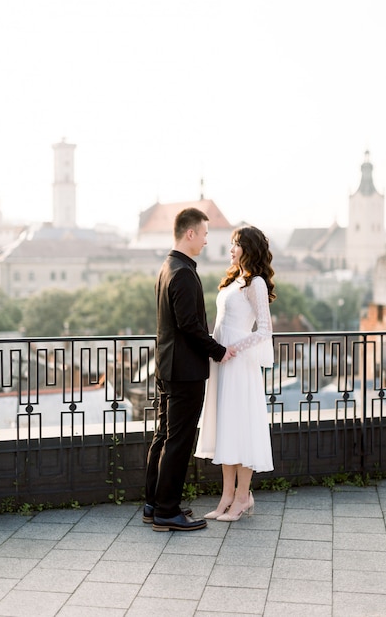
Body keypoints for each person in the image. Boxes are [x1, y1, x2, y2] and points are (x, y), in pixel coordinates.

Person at [144, 207, 235, 532]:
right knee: (179, 440)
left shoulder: (168, 266)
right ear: (190, 233)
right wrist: (218, 350)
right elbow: (190, 326)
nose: (208, 241)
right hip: (184, 371)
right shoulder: (182, 272)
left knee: (164, 436)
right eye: (205, 234)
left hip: (167, 367)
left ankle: (154, 503)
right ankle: (167, 511)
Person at [194, 225, 276, 521]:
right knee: (226, 427)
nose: (230, 249)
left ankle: (243, 497)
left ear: (248, 248)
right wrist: (220, 350)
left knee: (241, 427)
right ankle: (226, 496)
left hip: (238, 363)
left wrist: (233, 349)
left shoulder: (256, 283)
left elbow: (265, 330)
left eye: (236, 244)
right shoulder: (235, 280)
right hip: (223, 363)